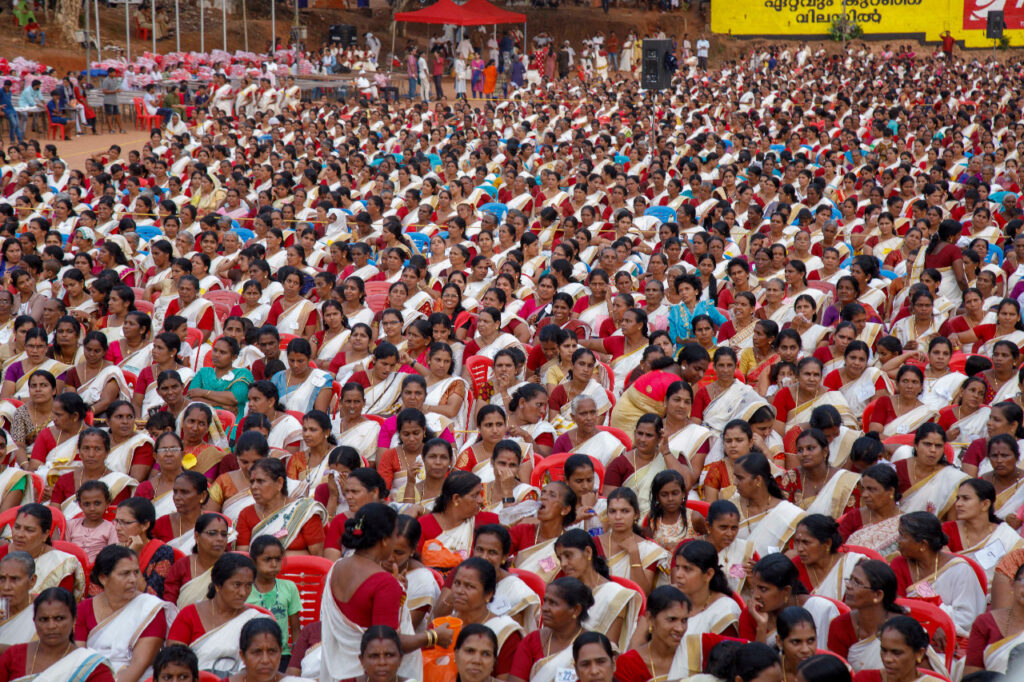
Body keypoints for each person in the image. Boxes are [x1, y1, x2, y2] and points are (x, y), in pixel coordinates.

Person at [319, 503, 452, 681]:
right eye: (394, 535)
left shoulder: (336, 567)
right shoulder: (384, 584)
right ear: (384, 540)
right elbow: (388, 646)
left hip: (337, 673)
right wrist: (434, 636)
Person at [74, 545, 169, 679]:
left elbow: (139, 663)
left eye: (136, 572)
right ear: (103, 578)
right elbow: (79, 658)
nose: (133, 580)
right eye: (125, 573)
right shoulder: (84, 608)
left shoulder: (150, 609)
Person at [166, 553, 267, 676]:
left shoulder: (256, 620)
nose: (243, 592)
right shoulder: (189, 615)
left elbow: (262, 665)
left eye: (248, 586)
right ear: (218, 585)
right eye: (237, 585)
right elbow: (173, 664)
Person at [0, 588, 115, 681]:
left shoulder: (90, 666)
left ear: (74, 620)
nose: (51, 626)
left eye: (59, 618)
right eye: (44, 619)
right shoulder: (13, 656)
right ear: (35, 622)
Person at [508, 577, 594, 682]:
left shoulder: (593, 646)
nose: (544, 608)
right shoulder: (531, 642)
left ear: (576, 610)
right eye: (545, 601)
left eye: (553, 603)